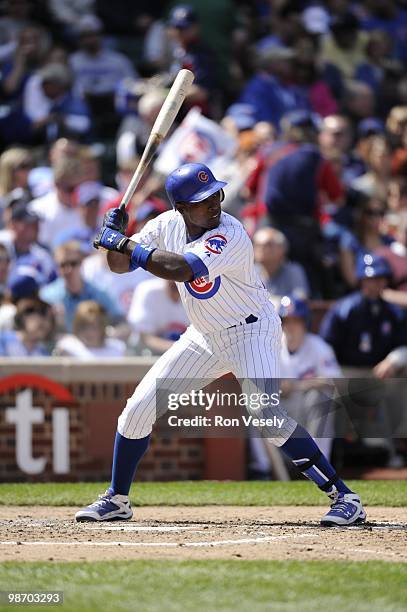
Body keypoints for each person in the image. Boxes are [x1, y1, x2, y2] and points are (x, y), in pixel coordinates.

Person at [75, 162, 366, 526]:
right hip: (204, 335)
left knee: (266, 414)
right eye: (201, 199)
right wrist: (115, 236)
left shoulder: (230, 233)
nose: (213, 203)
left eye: (215, 193)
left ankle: (344, 497)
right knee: (137, 411)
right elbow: (119, 265)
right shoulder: (164, 226)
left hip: (251, 330)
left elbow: (181, 268)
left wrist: (125, 244)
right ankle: (117, 498)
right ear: (180, 208)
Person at [279, 295, 342, 460]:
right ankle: (264, 467)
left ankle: (318, 463)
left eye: (296, 321)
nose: (290, 326)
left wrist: (297, 386)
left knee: (322, 398)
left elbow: (335, 381)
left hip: (308, 411)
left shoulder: (319, 347)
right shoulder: (271, 346)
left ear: (304, 323)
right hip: (282, 411)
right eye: (287, 321)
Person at [320, 254, 407, 367]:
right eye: (370, 279)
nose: (375, 284)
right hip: (347, 371)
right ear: (361, 281)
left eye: (380, 278)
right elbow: (326, 345)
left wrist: (393, 360)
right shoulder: (344, 310)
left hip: (382, 373)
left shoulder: (394, 312)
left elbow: (403, 344)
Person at [40, 240, 124, 332]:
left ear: (82, 263)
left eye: (73, 263)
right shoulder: (47, 296)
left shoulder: (99, 293)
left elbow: (121, 322)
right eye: (63, 265)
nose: (69, 270)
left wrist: (107, 334)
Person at [128, 278, 188, 355]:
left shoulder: (196, 293)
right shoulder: (148, 290)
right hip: (147, 356)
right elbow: (144, 337)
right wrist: (179, 350)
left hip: (185, 355)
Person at [54, 300, 126, 359]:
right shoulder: (67, 347)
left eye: (94, 327)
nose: (88, 332)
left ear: (102, 327)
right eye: (83, 327)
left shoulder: (118, 349)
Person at [253, 227, 310, 299]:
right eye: (257, 245)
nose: (260, 248)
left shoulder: (294, 271)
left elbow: (300, 296)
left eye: (268, 244)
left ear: (282, 248)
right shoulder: (250, 272)